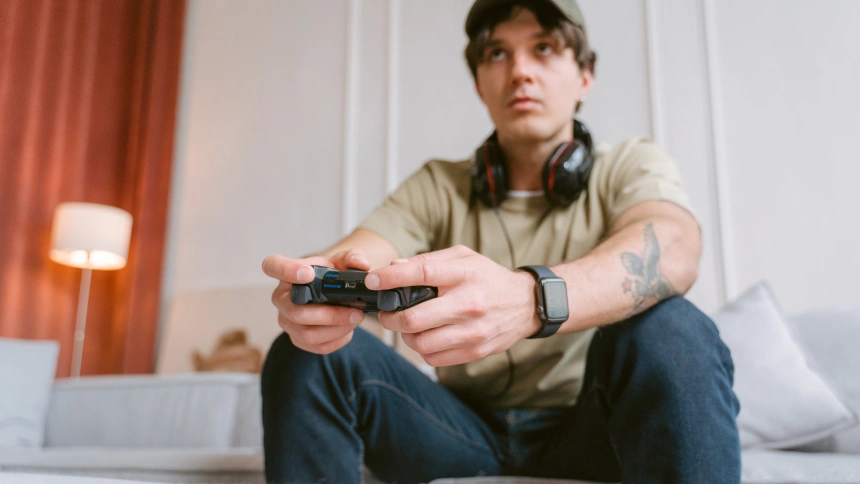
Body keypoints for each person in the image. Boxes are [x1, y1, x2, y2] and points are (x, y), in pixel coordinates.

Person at [260, 0, 741, 482]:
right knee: (304, 354)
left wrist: (532, 299)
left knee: (672, 327)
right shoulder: (438, 186)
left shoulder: (629, 166)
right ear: (479, 84)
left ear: (584, 77)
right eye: (497, 53)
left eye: (544, 48)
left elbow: (674, 248)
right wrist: (314, 286)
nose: (520, 71)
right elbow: (356, 253)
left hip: (593, 425)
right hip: (457, 431)